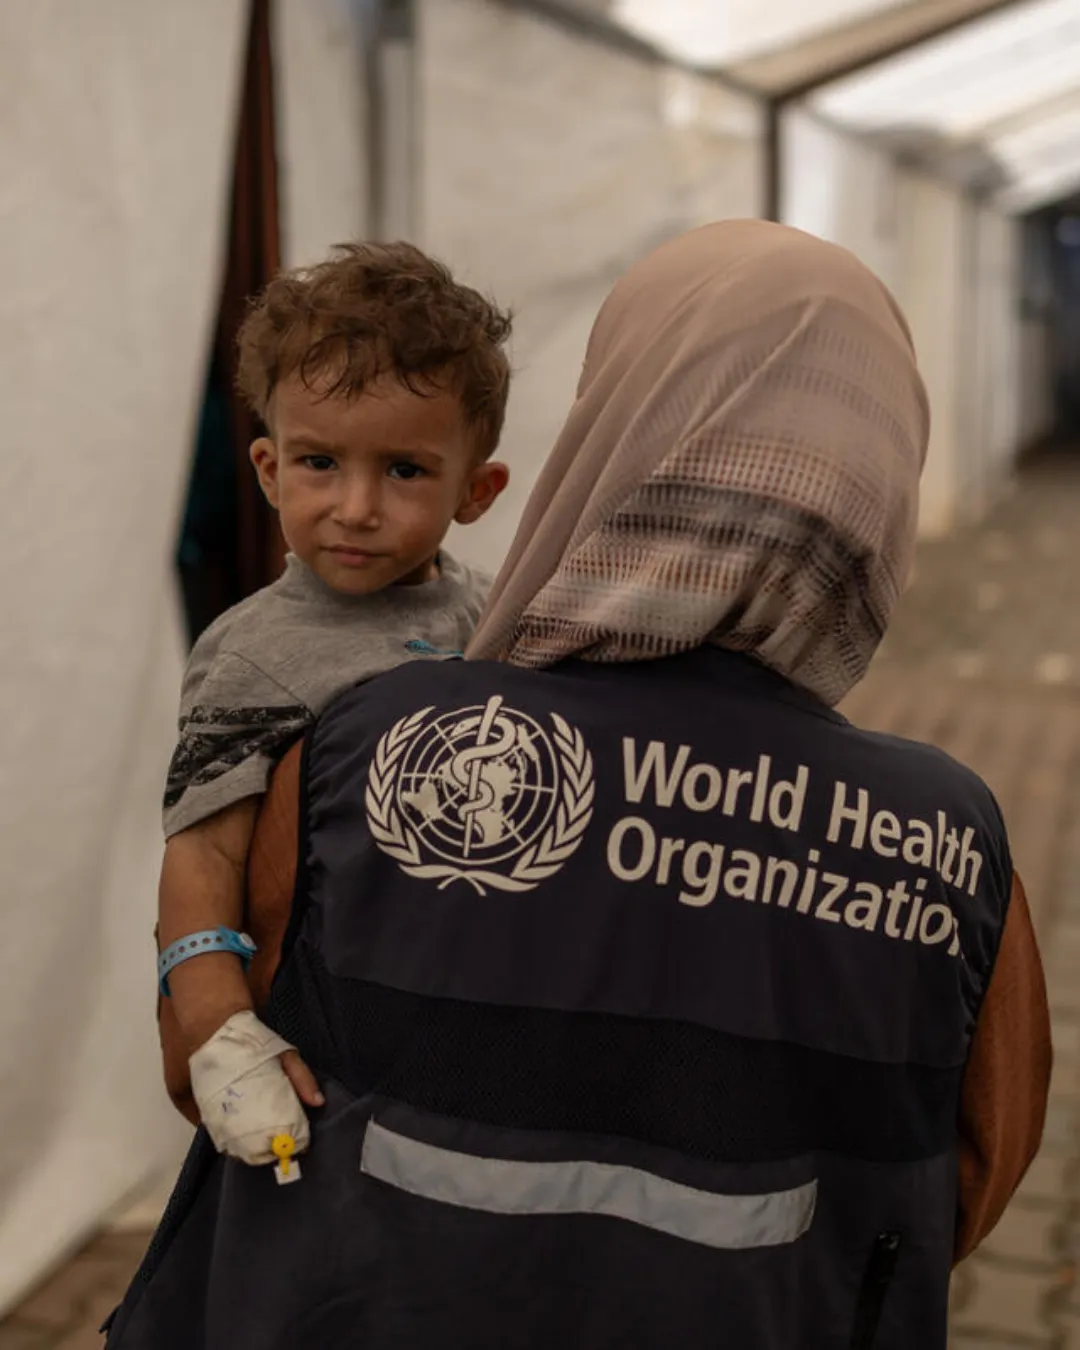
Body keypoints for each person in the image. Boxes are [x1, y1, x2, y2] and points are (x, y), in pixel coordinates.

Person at [112, 221, 1050, 1350]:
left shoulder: (382, 742)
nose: (357, 506)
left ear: (615, 433)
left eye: (403, 468)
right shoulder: (947, 835)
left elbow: (215, 1060)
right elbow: (969, 1180)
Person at [156, 240, 511, 1167]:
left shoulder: (499, 618)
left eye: (404, 471)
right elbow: (203, 853)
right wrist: (220, 1034)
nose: (355, 507)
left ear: (476, 490)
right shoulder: (251, 654)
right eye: (320, 463)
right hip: (324, 1057)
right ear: (269, 470)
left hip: (473, 1034)